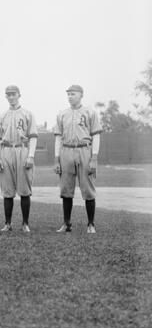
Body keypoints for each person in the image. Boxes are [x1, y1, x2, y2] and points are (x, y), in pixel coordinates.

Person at [53, 85, 102, 233]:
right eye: (68, 94)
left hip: (84, 149)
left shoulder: (90, 112)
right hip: (66, 150)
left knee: (87, 189)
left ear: (81, 95)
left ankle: (91, 224)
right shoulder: (62, 114)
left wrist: (94, 158)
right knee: (66, 189)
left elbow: (96, 135)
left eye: (73, 94)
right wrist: (56, 159)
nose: (70, 96)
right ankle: (67, 223)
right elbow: (58, 137)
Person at [0, 85, 38, 233]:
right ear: (5, 96)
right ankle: (8, 223)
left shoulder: (27, 114)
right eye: (8, 95)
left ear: (19, 95)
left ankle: (25, 223)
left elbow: (33, 137)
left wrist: (31, 156)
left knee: (24, 189)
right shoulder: (2, 116)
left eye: (13, 94)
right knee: (7, 190)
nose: (11, 97)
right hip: (6, 151)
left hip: (22, 149)